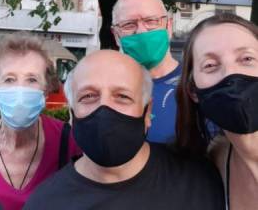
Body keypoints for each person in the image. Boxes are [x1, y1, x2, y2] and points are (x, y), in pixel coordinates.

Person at [24, 50, 225, 210]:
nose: (104, 108)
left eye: (122, 96)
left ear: (148, 112)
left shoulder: (200, 182)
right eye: (88, 96)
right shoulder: (45, 203)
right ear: (71, 114)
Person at [0, 34, 81, 210]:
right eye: (9, 79)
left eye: (32, 79)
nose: (20, 89)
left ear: (45, 92)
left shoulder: (68, 141)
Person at [176, 13, 258, 210]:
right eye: (210, 65)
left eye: (247, 58)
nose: (231, 74)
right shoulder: (216, 158)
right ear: (193, 91)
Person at [111, 0, 180, 143]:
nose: (141, 31)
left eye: (151, 21)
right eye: (129, 24)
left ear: (169, 26)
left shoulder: (196, 85)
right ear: (116, 35)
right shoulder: (105, 90)